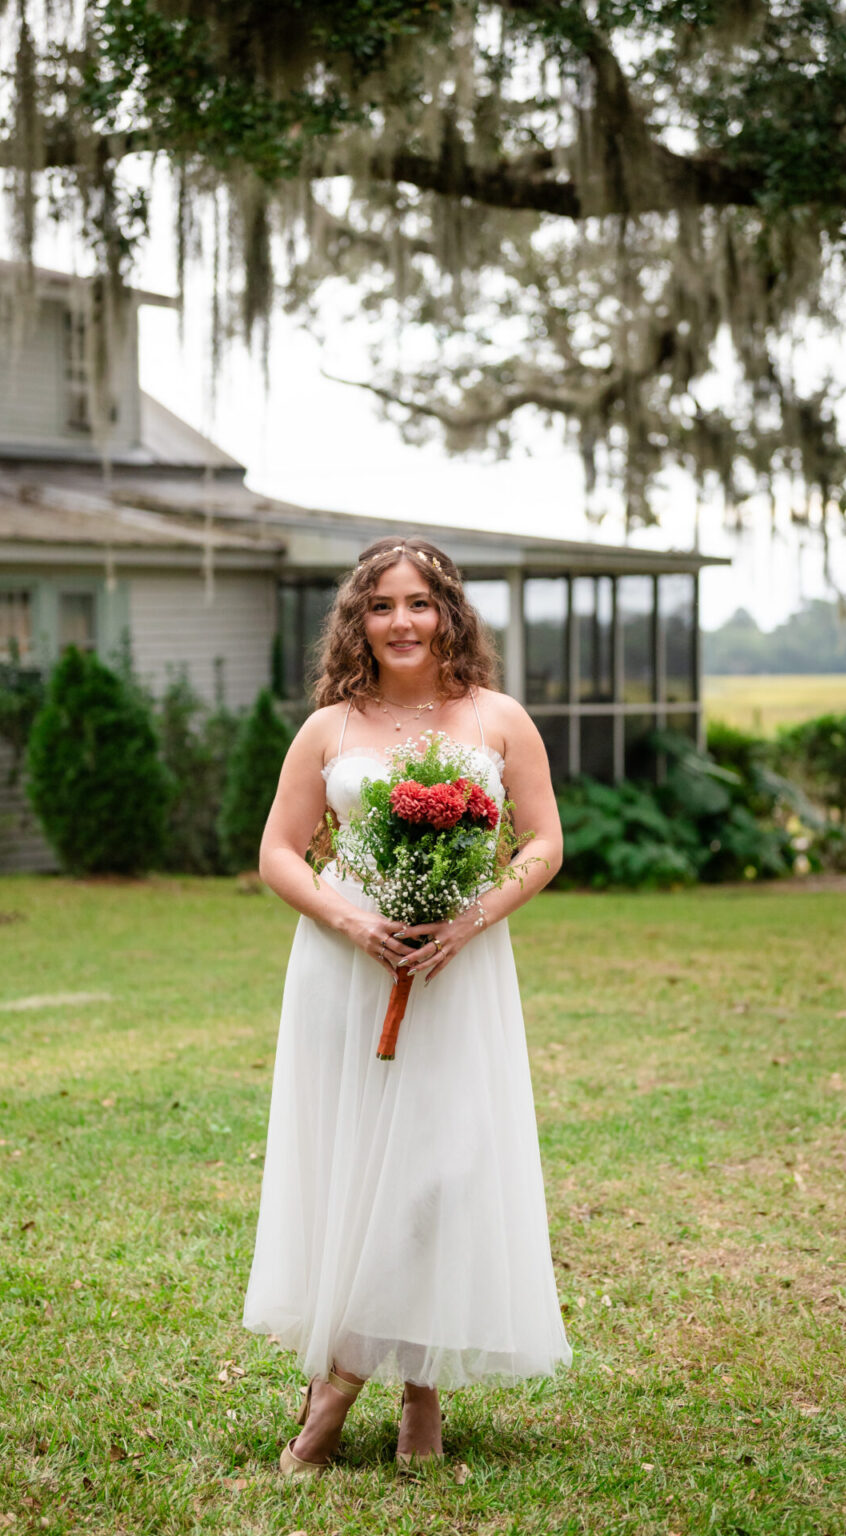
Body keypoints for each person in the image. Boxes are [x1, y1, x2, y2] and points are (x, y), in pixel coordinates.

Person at [243, 535, 571, 1476]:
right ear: (358, 620)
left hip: (460, 970)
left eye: (419, 603)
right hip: (346, 970)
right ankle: (345, 1374)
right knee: (354, 1162)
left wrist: (475, 916)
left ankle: (405, 1385)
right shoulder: (330, 729)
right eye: (381, 605)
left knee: (441, 1165)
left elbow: (543, 842)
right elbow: (278, 850)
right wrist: (353, 922)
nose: (401, 622)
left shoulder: (498, 718)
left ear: (449, 613)